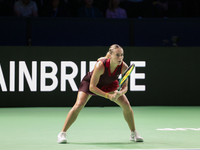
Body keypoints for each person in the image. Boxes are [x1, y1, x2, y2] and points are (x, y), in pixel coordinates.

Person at [57, 44, 144, 143]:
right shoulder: (100, 65)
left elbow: (125, 87)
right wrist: (109, 96)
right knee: (78, 105)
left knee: (126, 105)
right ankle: (62, 133)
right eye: (117, 55)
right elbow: (92, 87)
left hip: (109, 84)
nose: (120, 57)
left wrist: (120, 92)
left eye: (122, 55)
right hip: (91, 83)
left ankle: (133, 133)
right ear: (110, 55)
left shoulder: (123, 67)